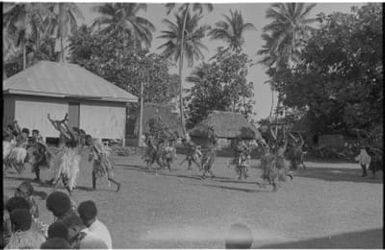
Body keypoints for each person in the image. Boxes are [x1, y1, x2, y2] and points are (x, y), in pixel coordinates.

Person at [47, 114, 83, 194]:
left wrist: (65, 123)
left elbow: (70, 133)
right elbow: (60, 129)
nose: (72, 132)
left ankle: (69, 190)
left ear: (77, 133)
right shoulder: (68, 137)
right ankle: (67, 190)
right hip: (65, 158)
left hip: (71, 161)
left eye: (74, 132)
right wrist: (59, 123)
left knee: (68, 177)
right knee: (62, 175)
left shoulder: (76, 139)